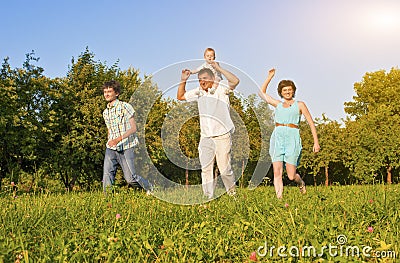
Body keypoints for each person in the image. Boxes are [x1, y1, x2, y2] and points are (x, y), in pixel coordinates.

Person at [177, 62, 239, 199]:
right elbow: (180, 96)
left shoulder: (221, 88)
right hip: (205, 137)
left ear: (212, 78)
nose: (202, 81)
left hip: (222, 135)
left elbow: (235, 81)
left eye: (204, 78)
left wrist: (218, 68)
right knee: (206, 169)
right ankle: (208, 197)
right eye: (199, 79)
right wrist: (183, 80)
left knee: (224, 169)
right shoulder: (199, 92)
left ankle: (233, 195)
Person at [259, 68, 320, 199]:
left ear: (293, 90)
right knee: (277, 171)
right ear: (281, 92)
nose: (287, 92)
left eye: (289, 89)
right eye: (284, 90)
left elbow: (311, 123)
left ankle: (301, 183)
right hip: (277, 137)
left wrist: (316, 142)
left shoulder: (300, 105)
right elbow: (261, 93)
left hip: (292, 137)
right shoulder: (278, 104)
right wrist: (269, 77)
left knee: (291, 175)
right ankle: (279, 199)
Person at [102, 80, 153, 194]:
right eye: (105, 92)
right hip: (111, 148)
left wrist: (118, 139)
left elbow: (133, 128)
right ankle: (107, 200)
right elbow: (109, 130)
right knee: (107, 175)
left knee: (130, 178)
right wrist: (110, 141)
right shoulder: (105, 112)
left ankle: (148, 186)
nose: (106, 94)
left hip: (127, 146)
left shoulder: (126, 107)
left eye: (109, 91)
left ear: (117, 93)